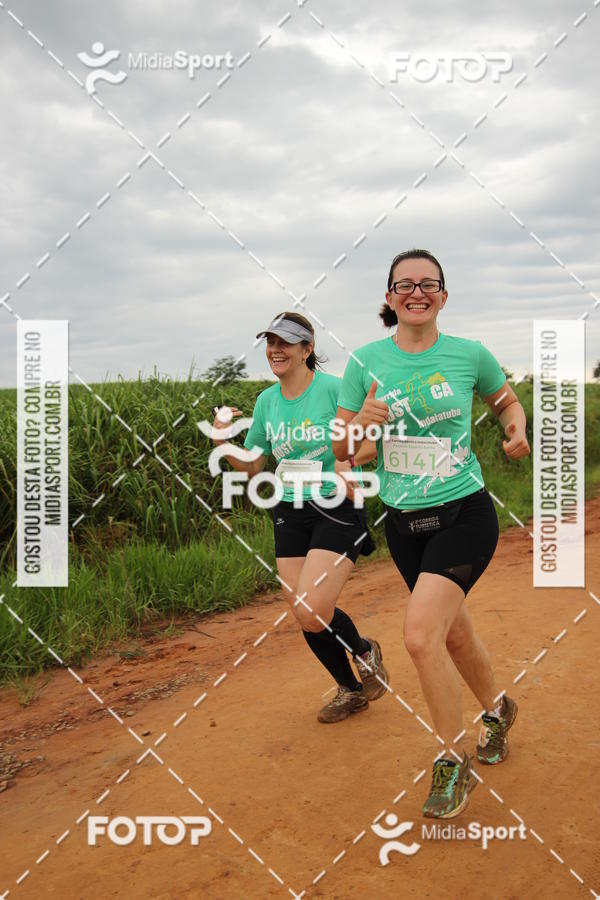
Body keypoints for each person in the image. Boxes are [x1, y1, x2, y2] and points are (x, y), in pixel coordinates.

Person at [332, 249, 530, 817]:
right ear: (389, 298)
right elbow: (343, 448)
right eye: (404, 285)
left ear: (443, 295)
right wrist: (361, 430)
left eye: (428, 283)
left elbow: (505, 402)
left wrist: (514, 430)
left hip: (464, 514)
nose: (416, 292)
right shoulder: (365, 362)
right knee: (455, 636)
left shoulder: (469, 354)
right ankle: (498, 709)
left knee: (420, 636)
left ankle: (453, 760)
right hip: (404, 523)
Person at [210, 311, 389, 723]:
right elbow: (253, 467)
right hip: (289, 510)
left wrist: (346, 460)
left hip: (337, 506)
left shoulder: (334, 391)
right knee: (306, 617)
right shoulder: (266, 401)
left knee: (312, 608)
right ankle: (351, 686)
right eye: (270, 342)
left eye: (285, 342)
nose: (275, 350)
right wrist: (222, 438)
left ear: (307, 349)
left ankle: (363, 651)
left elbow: (368, 449)